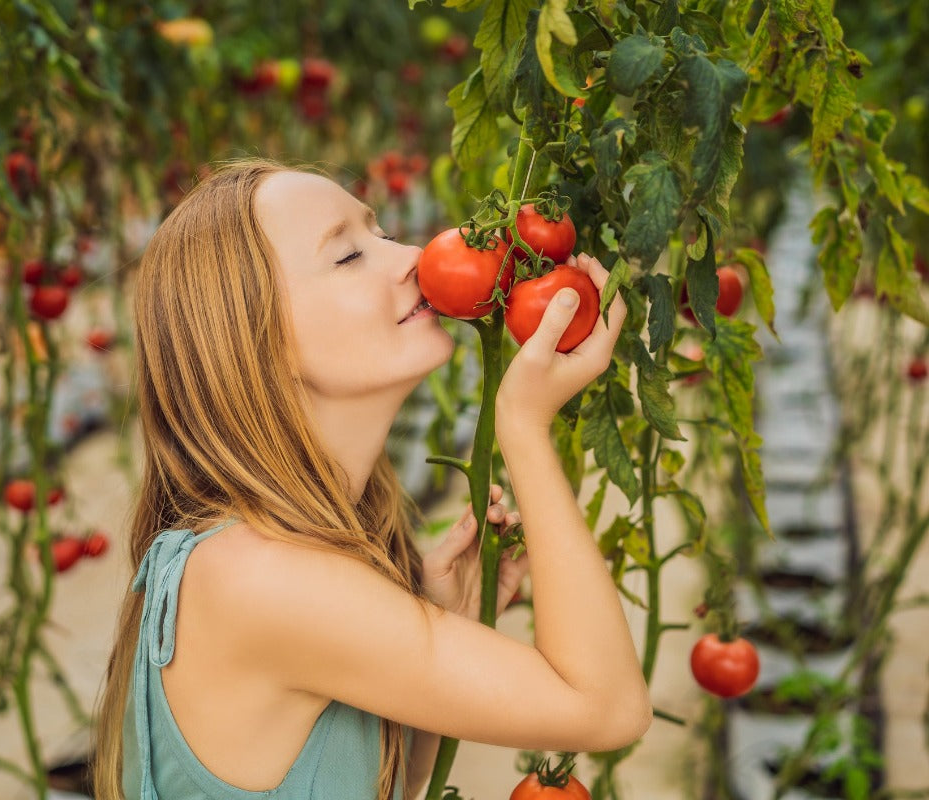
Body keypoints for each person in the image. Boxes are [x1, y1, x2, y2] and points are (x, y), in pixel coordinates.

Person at [93, 159, 651, 800]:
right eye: (348, 256)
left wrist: (441, 623)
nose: (413, 253)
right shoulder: (263, 577)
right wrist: (522, 429)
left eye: (380, 233)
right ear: (260, 341)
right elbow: (607, 709)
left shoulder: (269, 553)